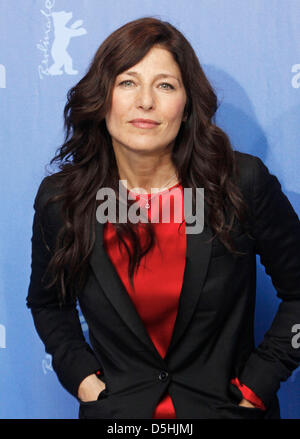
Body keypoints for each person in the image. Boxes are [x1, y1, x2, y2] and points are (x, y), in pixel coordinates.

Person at [26, 17, 300, 419]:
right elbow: (47, 304)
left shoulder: (241, 182)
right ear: (102, 98)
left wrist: (256, 388)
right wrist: (86, 383)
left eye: (165, 85)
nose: (146, 101)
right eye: (128, 82)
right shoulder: (62, 200)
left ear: (187, 105)